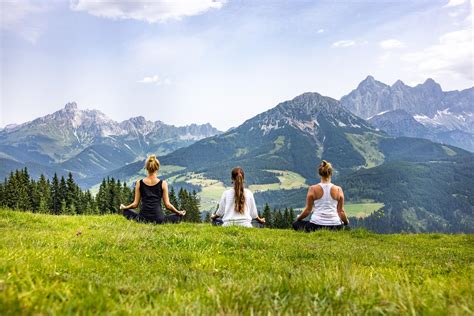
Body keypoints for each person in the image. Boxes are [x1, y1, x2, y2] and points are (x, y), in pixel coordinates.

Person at [119, 155, 186, 224]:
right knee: (178, 216)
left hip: (142, 219)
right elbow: (168, 205)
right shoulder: (163, 183)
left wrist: (125, 207)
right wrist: (178, 212)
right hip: (159, 219)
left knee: (126, 211)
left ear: (146, 168)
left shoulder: (139, 183)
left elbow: (135, 204)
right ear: (157, 168)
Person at [292, 160, 349, 232]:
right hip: (335, 226)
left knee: (295, 224)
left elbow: (308, 210)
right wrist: (346, 222)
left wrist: (298, 218)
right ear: (331, 173)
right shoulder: (338, 189)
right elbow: (340, 211)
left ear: (320, 173)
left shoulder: (312, 189)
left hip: (316, 226)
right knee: (339, 225)